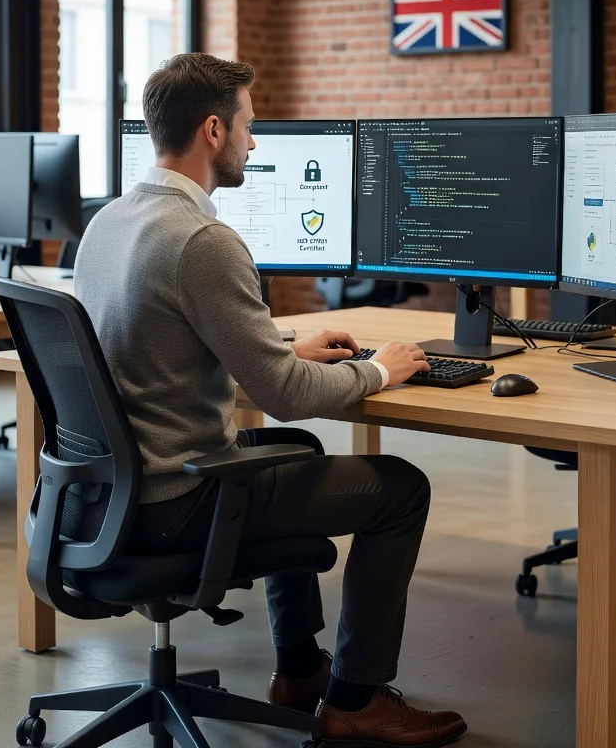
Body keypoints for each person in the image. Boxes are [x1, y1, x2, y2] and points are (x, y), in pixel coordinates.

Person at [75, 52, 467, 747]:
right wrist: (378, 370)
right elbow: (283, 396)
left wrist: (283, 350)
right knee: (402, 488)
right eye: (251, 127)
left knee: (300, 453)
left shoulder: (110, 221)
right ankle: (356, 701)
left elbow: (154, 359)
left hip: (111, 492)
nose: (255, 143)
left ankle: (300, 671)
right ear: (215, 131)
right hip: (177, 499)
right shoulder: (202, 239)